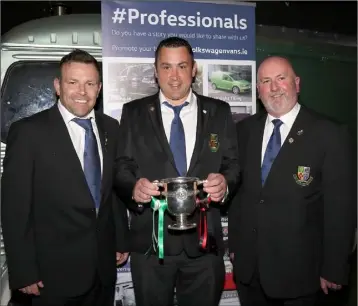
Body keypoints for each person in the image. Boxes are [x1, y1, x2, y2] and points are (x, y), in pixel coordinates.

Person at [114, 37, 239, 306]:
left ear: (193, 69)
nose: (174, 76)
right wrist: (134, 189)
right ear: (155, 71)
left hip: (205, 247)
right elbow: (121, 167)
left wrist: (225, 182)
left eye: (182, 66)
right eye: (166, 67)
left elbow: (233, 165)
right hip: (151, 245)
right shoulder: (133, 113)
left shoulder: (219, 111)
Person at [1, 49, 130, 306]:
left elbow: (111, 192)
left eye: (90, 83)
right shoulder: (28, 133)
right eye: (73, 82)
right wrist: (23, 271)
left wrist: (120, 240)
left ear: (99, 88)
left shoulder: (111, 128)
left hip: (102, 270)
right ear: (58, 86)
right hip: (51, 277)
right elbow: (14, 208)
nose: (82, 91)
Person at [228, 56, 355, 306]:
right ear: (257, 90)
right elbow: (239, 195)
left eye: (281, 78)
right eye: (266, 81)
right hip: (250, 270)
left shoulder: (329, 133)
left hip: (301, 273)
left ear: (297, 83)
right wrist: (235, 243)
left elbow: (341, 208)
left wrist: (334, 267)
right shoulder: (244, 131)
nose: (274, 87)